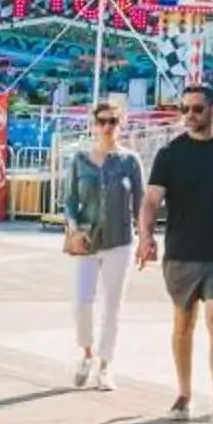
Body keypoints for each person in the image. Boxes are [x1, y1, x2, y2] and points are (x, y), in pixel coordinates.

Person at [139, 80, 213, 424]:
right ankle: (184, 393)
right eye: (185, 109)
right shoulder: (169, 154)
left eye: (197, 109)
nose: (189, 115)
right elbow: (150, 201)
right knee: (183, 324)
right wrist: (145, 236)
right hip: (181, 254)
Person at [64, 98, 144, 392]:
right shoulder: (80, 160)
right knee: (81, 303)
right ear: (93, 125)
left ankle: (106, 365)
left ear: (121, 125)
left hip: (120, 241)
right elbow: (70, 200)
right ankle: (86, 353)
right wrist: (73, 228)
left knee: (112, 307)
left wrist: (146, 238)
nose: (108, 127)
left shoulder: (130, 161)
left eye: (113, 121)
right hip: (87, 240)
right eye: (102, 122)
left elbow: (141, 202)